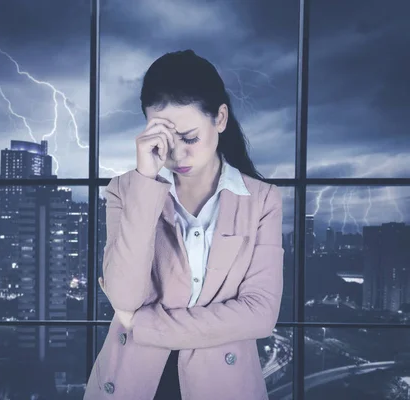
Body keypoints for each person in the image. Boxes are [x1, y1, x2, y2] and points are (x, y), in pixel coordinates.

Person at [84, 49, 284, 400]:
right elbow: (125, 296)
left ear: (220, 119)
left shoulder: (262, 200)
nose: (178, 155)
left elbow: (259, 315)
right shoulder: (124, 190)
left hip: (222, 385)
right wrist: (146, 181)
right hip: (133, 380)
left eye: (190, 137)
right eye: (165, 141)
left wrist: (147, 324)